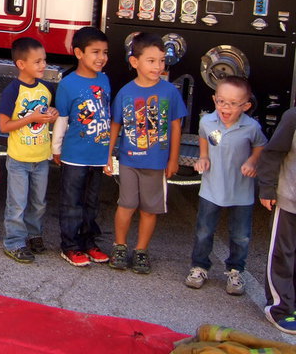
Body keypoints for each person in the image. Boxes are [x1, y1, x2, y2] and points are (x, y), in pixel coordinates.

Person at [106, 32, 186, 274]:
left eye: (162, 60)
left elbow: (175, 126)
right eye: (151, 61)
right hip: (129, 160)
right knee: (126, 204)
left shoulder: (170, 92)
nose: (158, 66)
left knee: (150, 209)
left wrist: (173, 159)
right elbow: (115, 125)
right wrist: (107, 155)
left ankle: (141, 250)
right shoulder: (125, 92)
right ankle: (119, 246)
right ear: (134, 62)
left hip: (157, 162)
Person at [184, 75, 266, 295]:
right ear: (214, 99)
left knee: (240, 235)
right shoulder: (207, 121)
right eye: (221, 101)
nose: (225, 107)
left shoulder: (251, 127)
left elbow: (260, 146)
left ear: (246, 106)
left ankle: (235, 270)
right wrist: (203, 156)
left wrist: (252, 161)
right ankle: (199, 266)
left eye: (232, 103)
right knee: (204, 230)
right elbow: (203, 137)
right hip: (211, 188)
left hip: (241, 191)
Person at [51, 27, 112, 267]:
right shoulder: (68, 84)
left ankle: (88, 242)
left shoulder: (105, 79)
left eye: (105, 52)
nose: (101, 58)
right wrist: (56, 148)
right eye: (95, 52)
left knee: (91, 202)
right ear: (78, 53)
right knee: (71, 202)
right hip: (74, 155)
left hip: (98, 154)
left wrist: (109, 152)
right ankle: (70, 246)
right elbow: (62, 119)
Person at [0, 37, 59, 263]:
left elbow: (50, 116)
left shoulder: (47, 88)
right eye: (37, 62)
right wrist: (31, 118)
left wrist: (51, 114)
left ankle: (34, 234)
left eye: (44, 60)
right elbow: (4, 126)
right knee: (17, 203)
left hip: (41, 157)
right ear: (21, 64)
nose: (43, 65)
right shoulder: (12, 91)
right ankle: (14, 242)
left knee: (38, 202)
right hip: (19, 159)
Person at [258, 106, 296, 334]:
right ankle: (279, 309)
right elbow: (272, 153)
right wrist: (267, 188)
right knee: (283, 253)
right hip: (290, 199)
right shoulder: (293, 117)